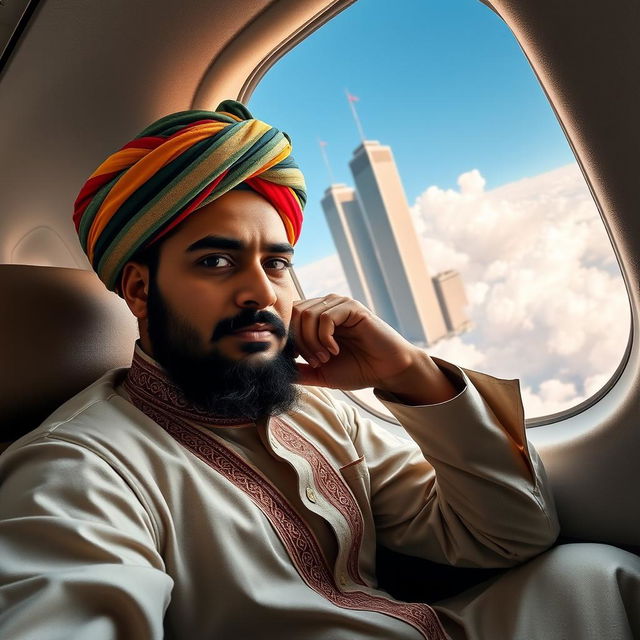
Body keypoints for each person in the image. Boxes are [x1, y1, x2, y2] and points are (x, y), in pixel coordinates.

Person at [0, 101, 638, 640]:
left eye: (276, 264)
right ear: (140, 290)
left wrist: (411, 373)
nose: (261, 292)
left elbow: (512, 537)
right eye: (217, 263)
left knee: (594, 576)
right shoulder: (78, 468)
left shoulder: (315, 407)